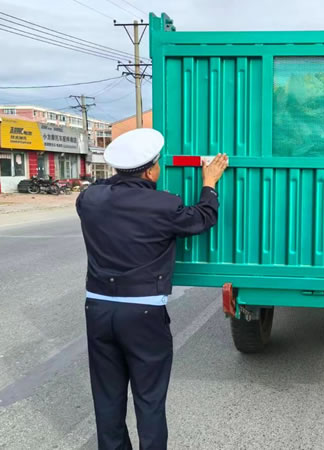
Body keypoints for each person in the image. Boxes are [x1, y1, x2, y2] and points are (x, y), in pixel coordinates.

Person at [76, 128, 228, 449]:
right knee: (149, 399)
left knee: (107, 397)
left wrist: (120, 176)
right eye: (157, 164)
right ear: (149, 171)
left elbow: (105, 186)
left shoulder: (89, 199)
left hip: (97, 309)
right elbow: (202, 218)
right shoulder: (162, 205)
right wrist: (209, 183)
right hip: (143, 313)